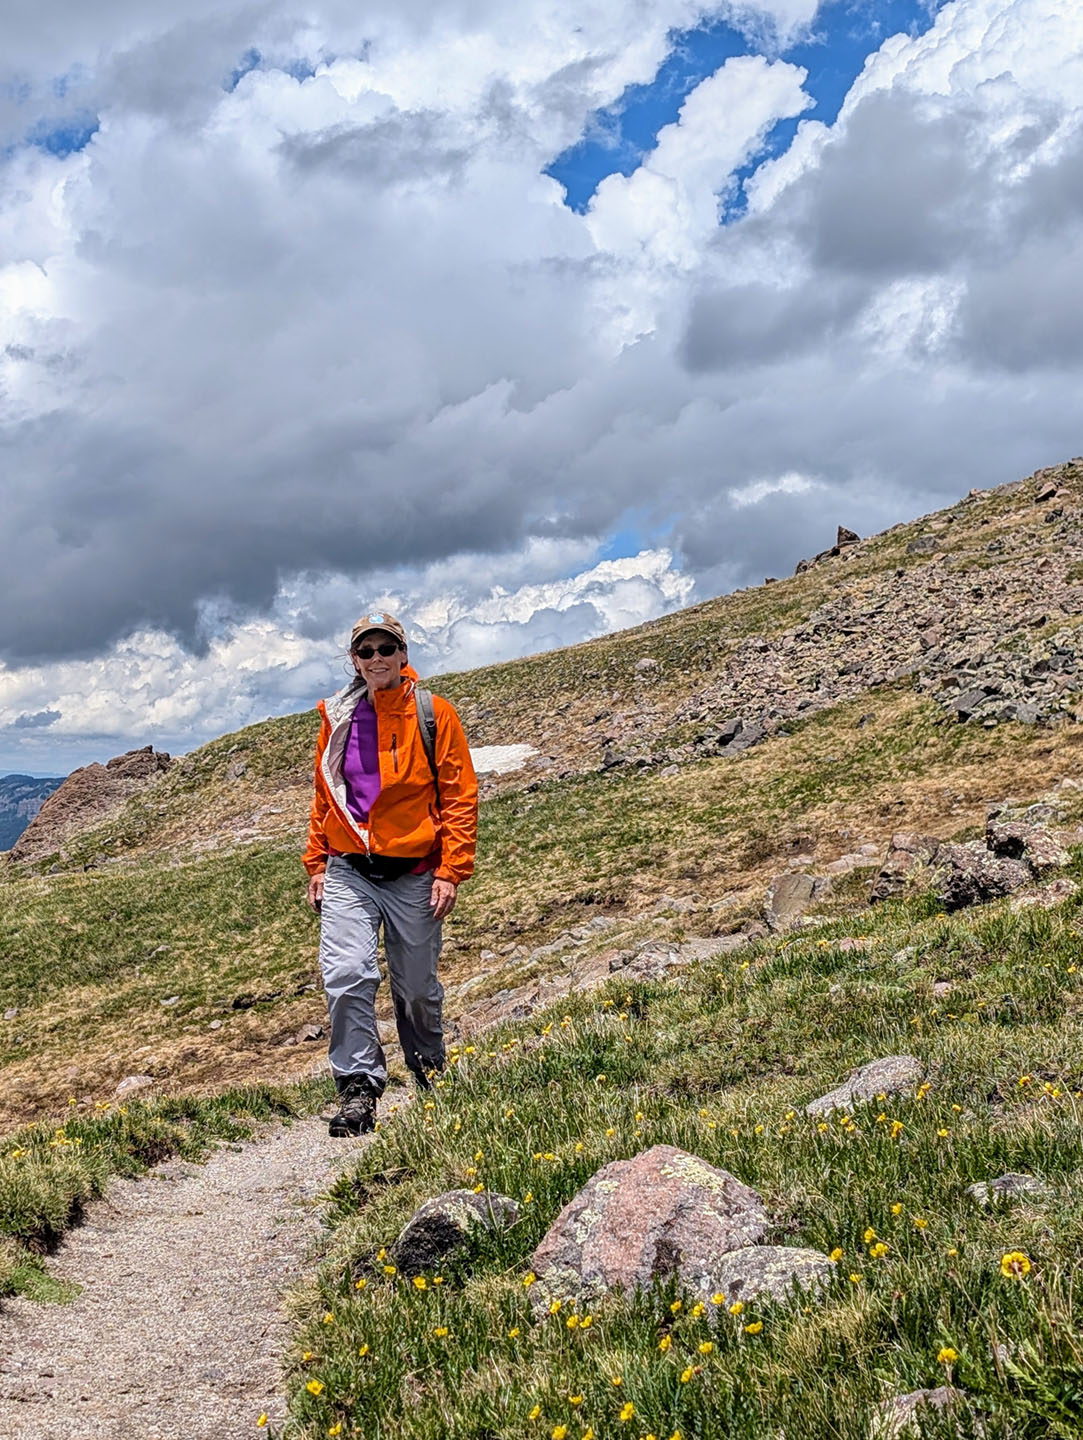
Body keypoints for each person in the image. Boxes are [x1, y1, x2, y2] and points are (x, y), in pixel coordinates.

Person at [303, 611, 478, 1136]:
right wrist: (316, 862)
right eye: (366, 651)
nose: (376, 659)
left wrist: (451, 869)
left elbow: (460, 796)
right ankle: (358, 1089)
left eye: (386, 648)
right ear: (353, 660)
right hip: (349, 870)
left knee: (417, 987)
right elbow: (325, 796)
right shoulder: (337, 717)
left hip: (417, 872)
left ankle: (429, 1071)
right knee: (347, 974)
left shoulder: (433, 713)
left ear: (403, 655)